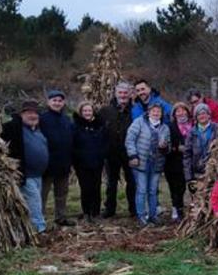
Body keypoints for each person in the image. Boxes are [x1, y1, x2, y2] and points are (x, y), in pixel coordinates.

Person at [1, 100, 49, 233]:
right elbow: (2, 136)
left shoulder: (38, 130)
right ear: (21, 115)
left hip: (38, 174)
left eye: (35, 113)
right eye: (29, 113)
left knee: (34, 201)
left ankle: (30, 227)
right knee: (34, 201)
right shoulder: (15, 128)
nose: (32, 116)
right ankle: (39, 228)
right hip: (25, 174)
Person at [125, 103, 171, 226]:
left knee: (153, 191)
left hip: (156, 164)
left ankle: (153, 215)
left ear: (161, 114)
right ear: (149, 112)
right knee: (141, 190)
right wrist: (133, 155)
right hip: (141, 162)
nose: (156, 114)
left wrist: (164, 147)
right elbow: (130, 139)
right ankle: (141, 216)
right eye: (154, 111)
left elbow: (168, 147)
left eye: (158, 112)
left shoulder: (164, 128)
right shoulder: (139, 122)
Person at [38, 90, 75, 228]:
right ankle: (39, 220)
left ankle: (61, 217)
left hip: (63, 163)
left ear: (63, 103)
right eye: (54, 100)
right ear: (49, 102)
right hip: (47, 164)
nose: (57, 103)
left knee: (62, 193)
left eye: (60, 101)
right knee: (42, 195)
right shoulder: (42, 119)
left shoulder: (67, 119)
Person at [100, 81, 135, 218]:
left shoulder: (135, 110)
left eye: (125, 93)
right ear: (115, 94)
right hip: (111, 152)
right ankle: (110, 209)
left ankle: (133, 209)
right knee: (111, 182)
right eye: (120, 92)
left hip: (130, 152)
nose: (123, 95)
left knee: (132, 181)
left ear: (130, 94)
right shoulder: (105, 111)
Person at [71, 101, 108, 223]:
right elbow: (72, 144)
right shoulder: (76, 126)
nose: (87, 113)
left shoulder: (99, 125)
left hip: (97, 162)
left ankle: (96, 213)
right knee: (85, 188)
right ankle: (86, 212)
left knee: (96, 187)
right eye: (85, 111)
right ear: (81, 112)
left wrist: (102, 155)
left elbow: (104, 142)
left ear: (93, 112)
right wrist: (77, 157)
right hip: (81, 163)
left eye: (89, 110)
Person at [164, 104, 192, 222]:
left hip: (189, 162)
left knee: (190, 187)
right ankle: (177, 209)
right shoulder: (169, 127)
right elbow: (165, 145)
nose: (181, 113)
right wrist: (176, 148)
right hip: (173, 162)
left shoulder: (193, 126)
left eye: (183, 111)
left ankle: (193, 210)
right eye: (178, 111)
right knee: (176, 188)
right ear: (174, 114)